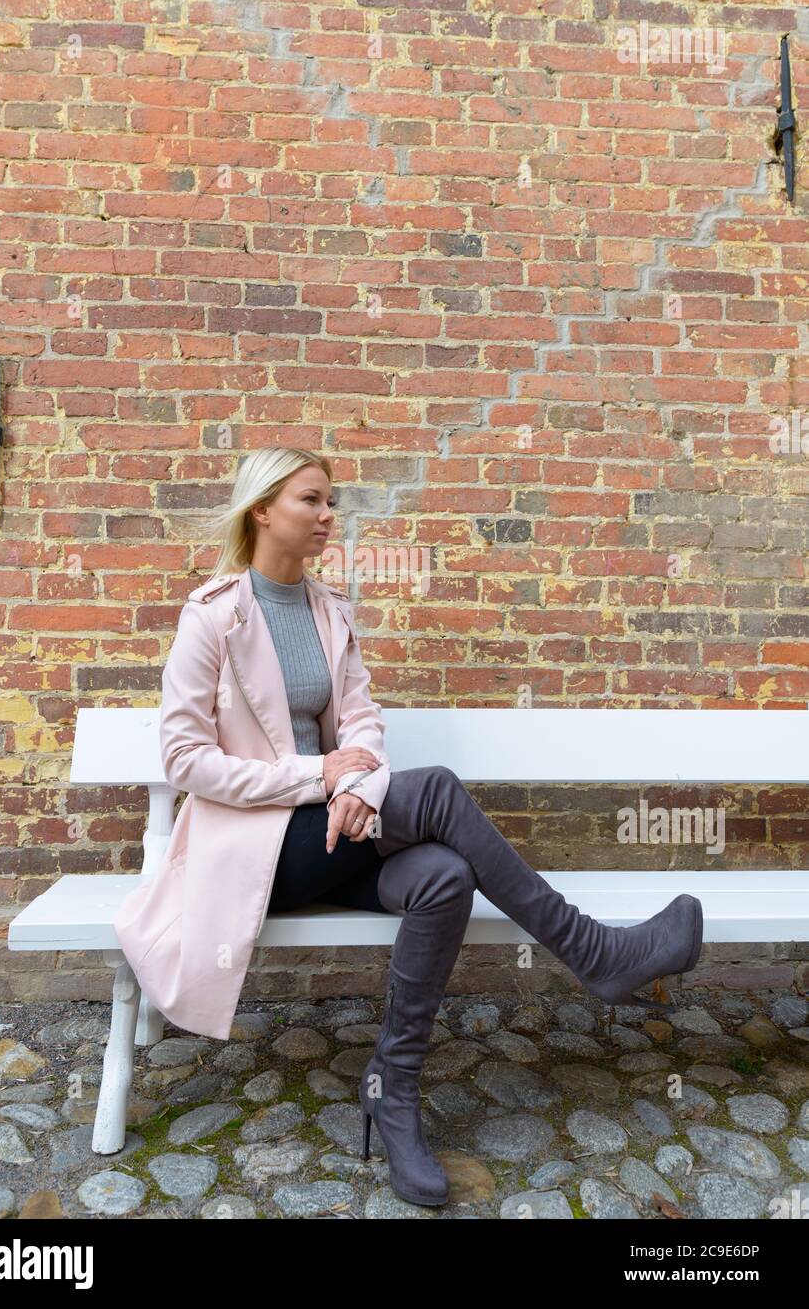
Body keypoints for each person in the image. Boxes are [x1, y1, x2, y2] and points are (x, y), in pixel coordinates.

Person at [175, 446, 704, 1209]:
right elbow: (186, 759)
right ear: (263, 510)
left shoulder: (328, 610)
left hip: (335, 833)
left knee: (443, 878)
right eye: (312, 501)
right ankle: (596, 953)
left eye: (331, 503)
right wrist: (318, 777)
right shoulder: (212, 616)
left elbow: (359, 720)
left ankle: (392, 1091)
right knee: (440, 792)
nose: (330, 517)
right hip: (260, 849)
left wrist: (356, 783)